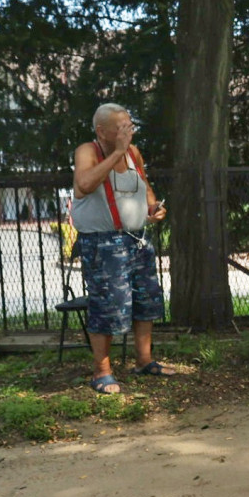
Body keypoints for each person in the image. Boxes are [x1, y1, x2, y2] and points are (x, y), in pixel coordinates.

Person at [71, 102, 172, 394]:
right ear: (102, 131)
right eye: (121, 126)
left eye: (129, 125)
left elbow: (144, 184)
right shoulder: (88, 151)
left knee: (146, 300)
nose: (128, 131)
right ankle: (101, 372)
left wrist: (153, 207)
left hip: (137, 238)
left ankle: (144, 360)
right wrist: (116, 151)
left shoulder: (133, 153)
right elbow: (84, 185)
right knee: (107, 304)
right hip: (103, 242)